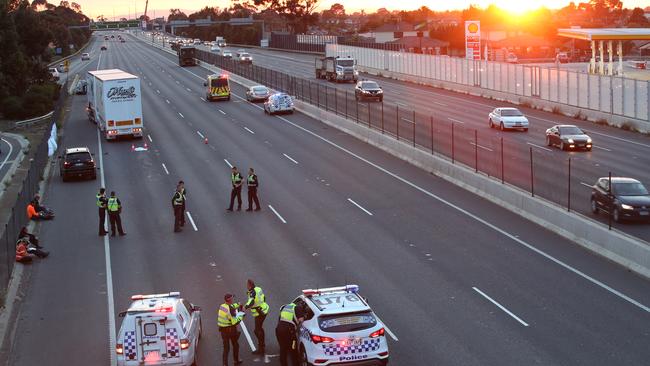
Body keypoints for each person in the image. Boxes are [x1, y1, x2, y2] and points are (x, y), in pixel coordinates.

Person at [244, 279, 269, 355]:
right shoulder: (258, 288)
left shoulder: (252, 292)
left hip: (259, 313)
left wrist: (245, 307)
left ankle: (261, 347)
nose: (246, 286)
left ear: (250, 285)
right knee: (259, 328)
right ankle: (262, 344)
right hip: (264, 310)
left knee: (257, 330)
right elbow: (264, 297)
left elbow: (251, 301)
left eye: (247, 285)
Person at [218, 293, 244, 366]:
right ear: (230, 300)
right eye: (232, 298)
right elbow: (235, 322)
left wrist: (238, 304)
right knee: (235, 345)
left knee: (226, 348)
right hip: (231, 330)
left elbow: (230, 306)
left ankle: (224, 364)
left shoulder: (222, 306)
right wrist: (242, 313)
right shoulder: (231, 310)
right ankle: (236, 360)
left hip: (223, 331)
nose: (233, 299)